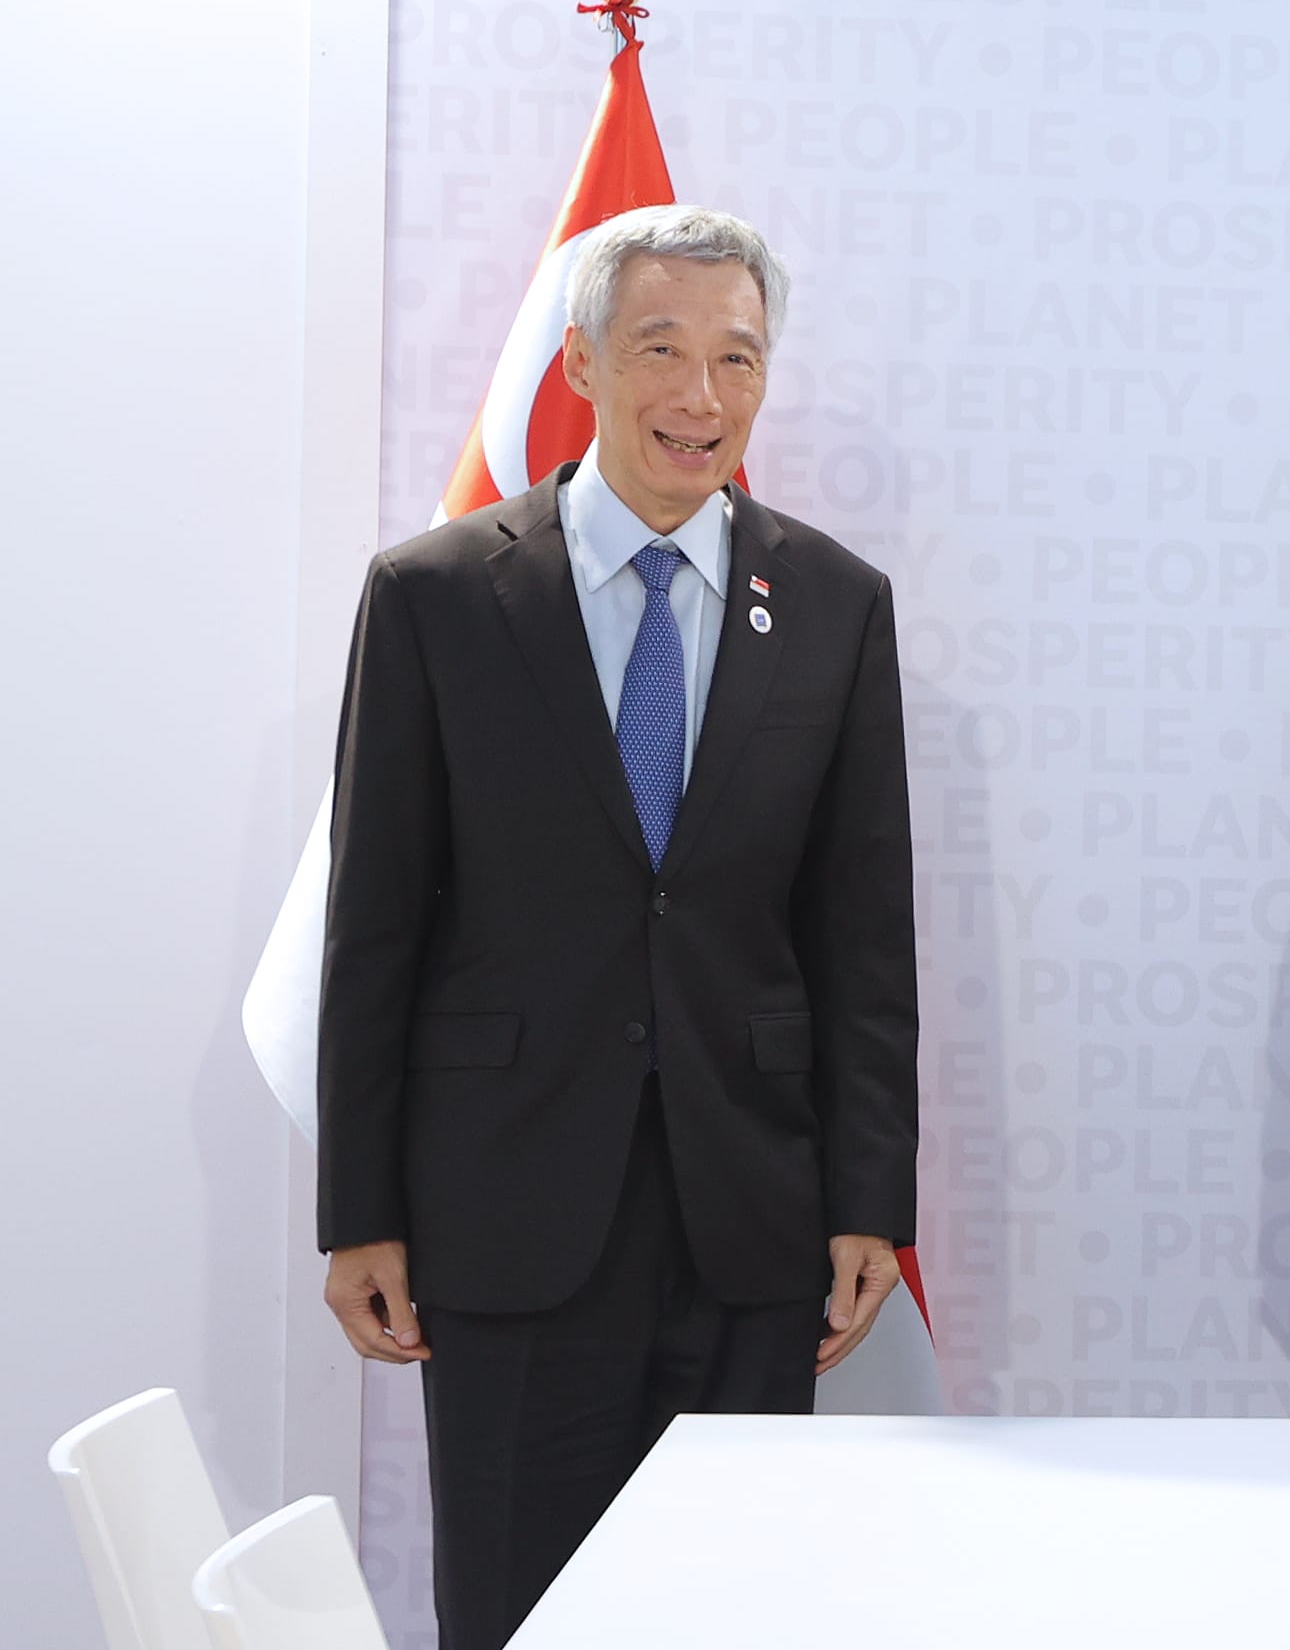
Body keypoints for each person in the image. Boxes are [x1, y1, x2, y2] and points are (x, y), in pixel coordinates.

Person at [315, 206, 918, 1647]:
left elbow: (863, 934)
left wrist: (869, 1197)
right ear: (580, 361)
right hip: (507, 1211)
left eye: (738, 358)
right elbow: (375, 929)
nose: (701, 398)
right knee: (521, 1610)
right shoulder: (437, 596)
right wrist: (362, 1211)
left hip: (753, 1219)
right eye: (661, 349)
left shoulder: (834, 603)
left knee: (730, 1612)